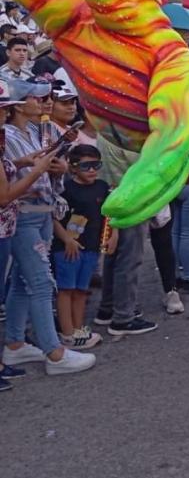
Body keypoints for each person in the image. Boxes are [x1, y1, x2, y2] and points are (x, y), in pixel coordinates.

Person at [0, 79, 96, 375]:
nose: (44, 103)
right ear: (18, 106)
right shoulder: (9, 134)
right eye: (35, 98)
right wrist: (39, 169)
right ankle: (54, 352)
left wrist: (56, 168)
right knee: (41, 283)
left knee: (23, 281)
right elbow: (8, 189)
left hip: (41, 211)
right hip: (24, 213)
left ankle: (15, 343)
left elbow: (20, 168)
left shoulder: (31, 132)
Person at [51, 145, 113, 349]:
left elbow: (110, 215)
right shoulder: (65, 190)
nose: (93, 170)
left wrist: (113, 236)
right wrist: (67, 240)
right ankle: (67, 333)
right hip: (67, 248)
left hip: (92, 247)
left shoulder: (103, 187)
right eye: (87, 166)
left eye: (97, 165)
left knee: (82, 290)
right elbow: (53, 217)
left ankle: (78, 329)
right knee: (66, 290)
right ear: (73, 167)